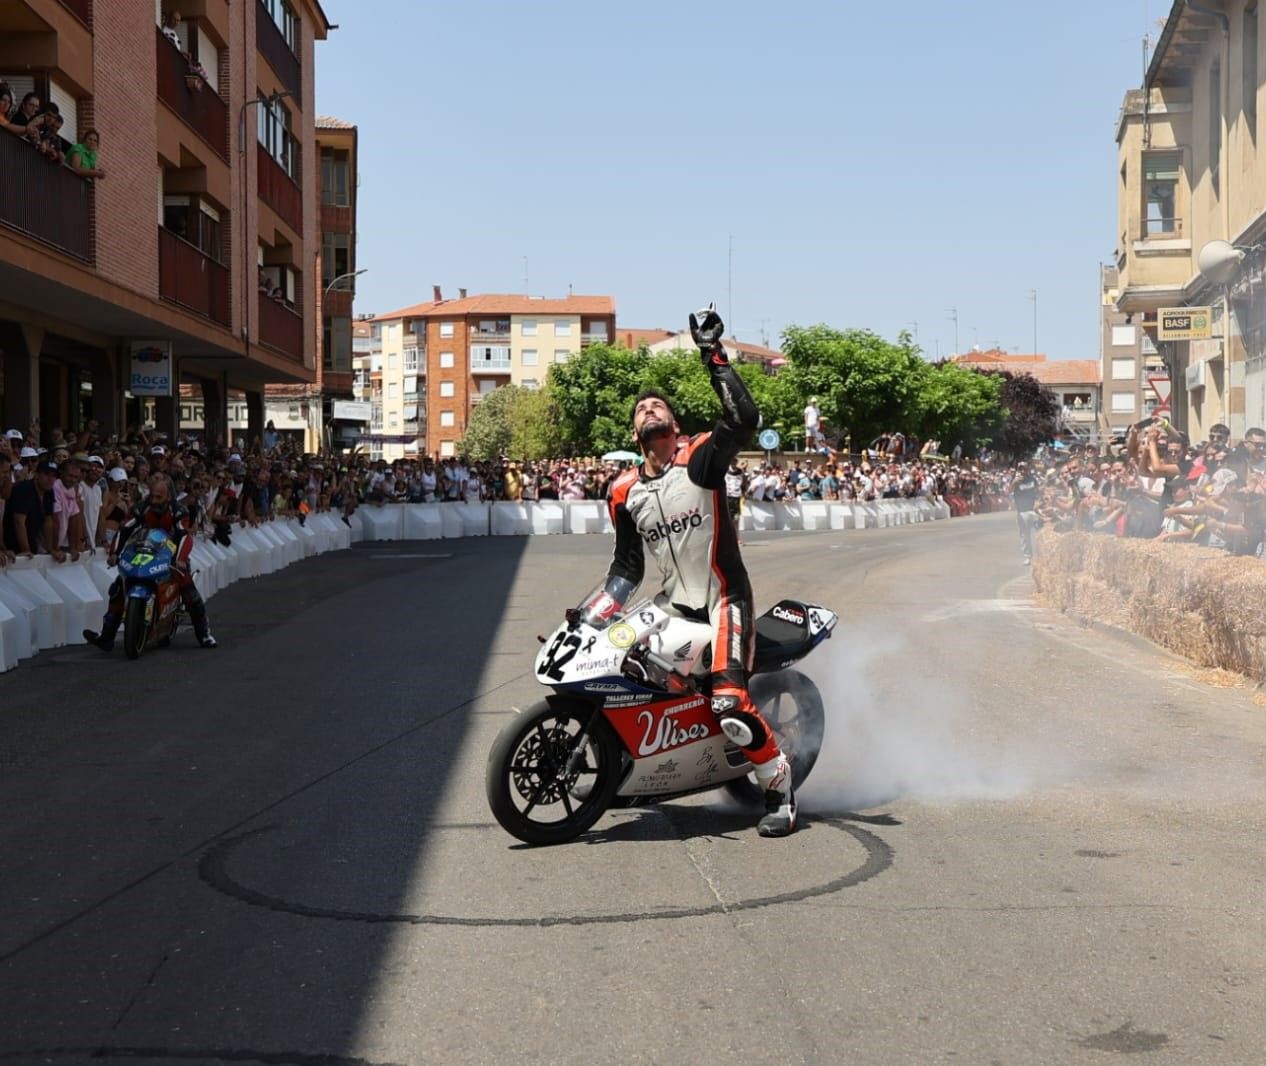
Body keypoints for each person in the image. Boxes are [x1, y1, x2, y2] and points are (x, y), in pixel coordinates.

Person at [602, 304, 796, 836]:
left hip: (724, 599)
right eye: (641, 407)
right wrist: (592, 618)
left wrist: (713, 354)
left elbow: (743, 420)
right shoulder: (623, 491)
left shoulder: (700, 461)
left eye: (656, 404)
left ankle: (779, 787)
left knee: (729, 700)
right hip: (672, 605)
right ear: (633, 429)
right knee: (617, 666)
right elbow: (625, 568)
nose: (647, 408)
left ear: (673, 425)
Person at [84, 472, 217, 650]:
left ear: (168, 495)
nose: (154, 500)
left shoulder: (179, 511)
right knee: (118, 589)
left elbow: (185, 537)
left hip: (172, 558)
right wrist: (115, 553)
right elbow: (125, 529)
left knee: (190, 593)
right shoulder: (141, 508)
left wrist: (181, 560)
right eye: (152, 495)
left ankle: (204, 634)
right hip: (145, 554)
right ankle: (107, 636)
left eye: (158, 497)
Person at [1010, 461, 1040, 564]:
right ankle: (1027, 556)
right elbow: (1008, 491)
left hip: (1034, 510)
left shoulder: (1033, 479)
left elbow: (1038, 492)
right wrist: (1014, 483)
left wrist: (1038, 502)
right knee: (1024, 536)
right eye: (1020, 469)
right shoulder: (1015, 481)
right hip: (1022, 512)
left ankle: (1041, 555)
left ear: (1028, 469)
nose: (1023, 471)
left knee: (1039, 534)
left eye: (1024, 469)